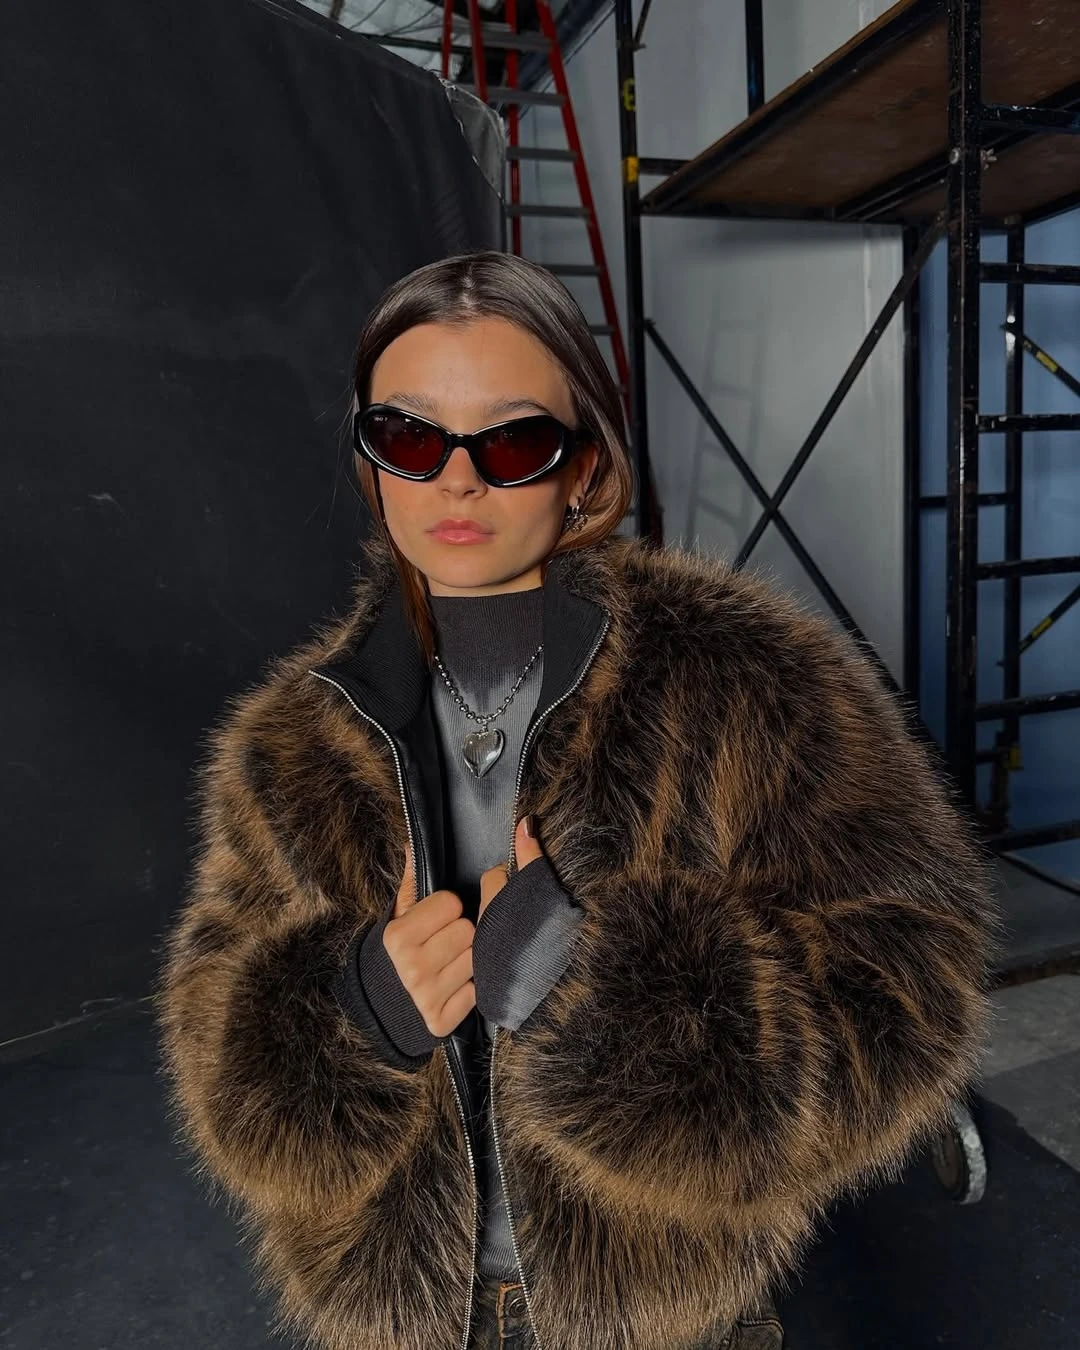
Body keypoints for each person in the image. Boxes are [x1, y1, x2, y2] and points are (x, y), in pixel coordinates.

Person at [158, 250, 1002, 1350]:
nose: (456, 482)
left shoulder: (750, 682)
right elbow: (213, 1047)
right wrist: (353, 1012)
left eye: (512, 442)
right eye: (409, 436)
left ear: (584, 463)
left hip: (669, 1314)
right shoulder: (288, 744)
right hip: (402, 1316)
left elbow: (915, 977)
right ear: (370, 458)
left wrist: (605, 996)